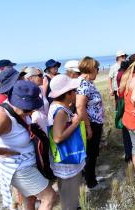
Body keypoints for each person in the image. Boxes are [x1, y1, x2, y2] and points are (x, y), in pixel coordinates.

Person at [0, 81, 56, 209]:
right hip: (19, 167)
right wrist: (4, 151)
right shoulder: (2, 117)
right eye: (28, 108)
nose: (31, 112)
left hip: (28, 162)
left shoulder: (18, 111)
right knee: (49, 197)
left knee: (30, 200)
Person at [48, 74, 85, 210]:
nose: (75, 93)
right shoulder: (61, 112)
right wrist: (75, 123)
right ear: (67, 94)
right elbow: (58, 137)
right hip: (67, 159)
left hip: (63, 158)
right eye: (73, 91)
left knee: (67, 191)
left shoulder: (56, 106)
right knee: (69, 191)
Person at [76, 56, 105, 190]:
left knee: (92, 153)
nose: (98, 71)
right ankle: (91, 183)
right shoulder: (83, 84)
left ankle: (91, 177)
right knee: (90, 154)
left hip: (94, 123)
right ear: (91, 69)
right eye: (97, 68)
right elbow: (80, 107)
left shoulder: (87, 82)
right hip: (90, 124)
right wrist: (88, 127)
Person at [116, 54, 135, 163]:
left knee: (127, 131)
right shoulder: (130, 75)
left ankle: (130, 155)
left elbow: (119, 91)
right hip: (129, 105)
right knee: (132, 131)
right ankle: (133, 155)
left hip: (123, 103)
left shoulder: (123, 74)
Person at [23, 67, 49, 134]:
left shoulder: (41, 89)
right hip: (37, 126)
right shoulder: (25, 93)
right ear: (30, 78)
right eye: (40, 75)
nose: (42, 77)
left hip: (47, 123)